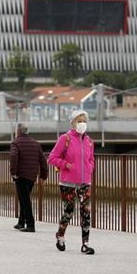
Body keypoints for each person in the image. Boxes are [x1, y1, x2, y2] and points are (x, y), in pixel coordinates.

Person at [48, 109, 96, 255]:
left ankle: (85, 244)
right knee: (68, 211)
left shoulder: (89, 141)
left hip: (84, 182)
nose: (82, 123)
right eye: (79, 121)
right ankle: (60, 235)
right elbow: (52, 158)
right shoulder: (65, 138)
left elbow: (91, 159)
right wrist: (66, 165)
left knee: (86, 212)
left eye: (84, 121)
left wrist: (90, 167)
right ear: (73, 123)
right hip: (67, 182)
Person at [10, 123, 49, 232]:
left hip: (21, 175)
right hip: (32, 176)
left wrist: (13, 172)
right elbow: (43, 161)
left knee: (25, 200)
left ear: (18, 131)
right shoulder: (35, 144)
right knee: (24, 198)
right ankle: (21, 222)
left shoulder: (16, 143)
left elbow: (13, 157)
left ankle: (30, 225)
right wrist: (43, 176)